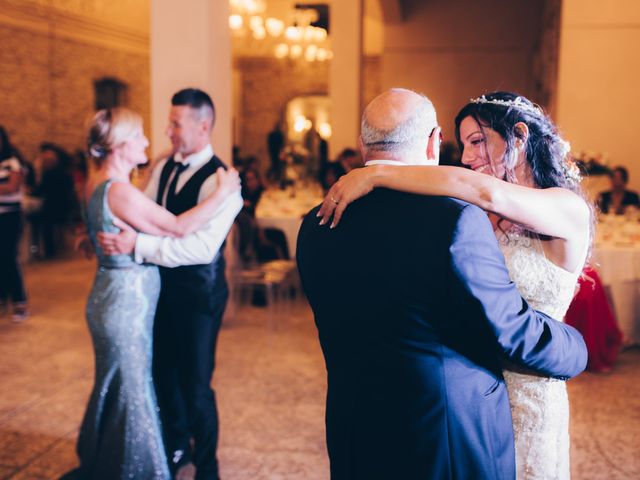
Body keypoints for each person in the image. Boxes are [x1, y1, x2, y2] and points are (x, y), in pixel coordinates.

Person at [298, 88, 588, 479]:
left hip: (526, 388)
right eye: (462, 143)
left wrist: (378, 172)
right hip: (466, 416)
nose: (467, 156)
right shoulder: (464, 219)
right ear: (434, 141)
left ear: (519, 137)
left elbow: (483, 192)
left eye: (477, 141)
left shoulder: (315, 226)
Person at [62, 107, 240, 480]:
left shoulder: (97, 182)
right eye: (141, 135)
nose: (151, 139)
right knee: (134, 388)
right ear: (122, 145)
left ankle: (111, 456)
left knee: (122, 384)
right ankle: (132, 468)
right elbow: (177, 227)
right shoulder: (121, 191)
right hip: (126, 305)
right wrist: (223, 192)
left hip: (116, 298)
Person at [0, 125, 29, 322]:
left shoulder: (12, 162)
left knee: (9, 257)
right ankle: (2, 299)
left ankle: (20, 302)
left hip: (11, 215)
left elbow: (12, 187)